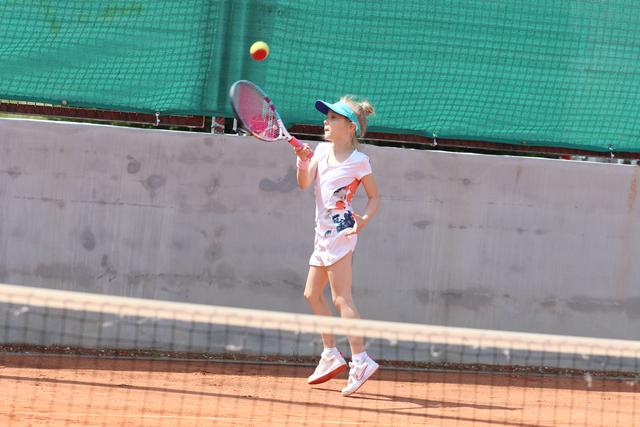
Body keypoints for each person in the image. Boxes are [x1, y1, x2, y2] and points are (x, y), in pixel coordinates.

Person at [295, 96, 381, 396]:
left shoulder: (359, 161)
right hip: (322, 233)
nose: (326, 121)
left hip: (341, 233)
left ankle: (361, 360)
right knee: (311, 293)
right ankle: (331, 354)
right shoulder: (320, 151)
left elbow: (375, 197)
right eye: (327, 117)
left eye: (333, 118)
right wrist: (302, 160)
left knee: (342, 298)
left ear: (350, 126)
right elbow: (304, 183)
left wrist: (364, 220)